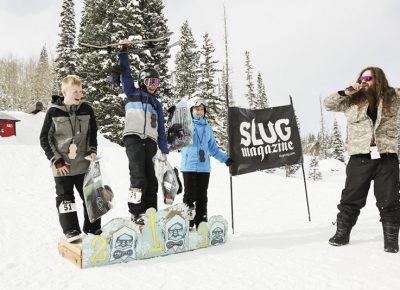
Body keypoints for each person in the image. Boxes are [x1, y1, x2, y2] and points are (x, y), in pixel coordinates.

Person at [324, 66, 400, 253]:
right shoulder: (351, 100)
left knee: (389, 199)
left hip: (386, 156)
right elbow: (328, 104)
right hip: (359, 157)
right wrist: (346, 91)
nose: (363, 81)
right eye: (361, 78)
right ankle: (342, 234)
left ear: (378, 79)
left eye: (368, 78)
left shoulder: (394, 97)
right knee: (351, 198)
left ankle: (391, 241)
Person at [39, 75, 100, 242]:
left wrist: (92, 150)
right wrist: (56, 160)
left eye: (81, 91)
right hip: (62, 165)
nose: (79, 94)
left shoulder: (87, 109)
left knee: (91, 196)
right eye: (75, 91)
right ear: (64, 92)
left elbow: (92, 133)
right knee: (66, 198)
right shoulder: (53, 112)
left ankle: (93, 228)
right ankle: (71, 230)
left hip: (83, 163)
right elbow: (45, 138)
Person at [118, 41, 169, 225]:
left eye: (156, 82)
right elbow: (125, 73)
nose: (153, 85)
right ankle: (136, 211)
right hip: (133, 138)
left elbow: (161, 128)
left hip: (150, 142)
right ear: (142, 82)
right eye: (149, 81)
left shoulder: (157, 104)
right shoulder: (132, 92)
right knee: (138, 176)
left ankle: (151, 211)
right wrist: (123, 52)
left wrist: (164, 149)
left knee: (152, 179)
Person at [180, 97, 233, 230]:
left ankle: (201, 222)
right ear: (191, 110)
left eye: (202, 109)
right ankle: (188, 222)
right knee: (190, 195)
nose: (199, 112)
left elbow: (213, 149)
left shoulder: (207, 128)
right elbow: (176, 139)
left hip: (204, 168)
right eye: (197, 109)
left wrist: (225, 159)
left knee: (202, 196)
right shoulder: (186, 124)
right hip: (189, 166)